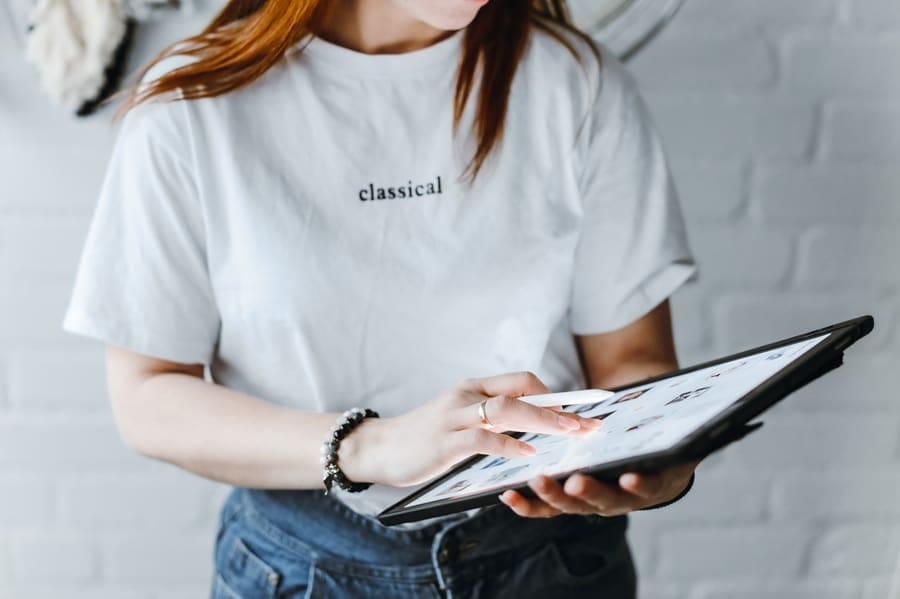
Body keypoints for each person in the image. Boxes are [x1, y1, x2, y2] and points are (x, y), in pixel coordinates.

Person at [61, 1, 702, 597]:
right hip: (301, 567)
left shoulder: (577, 82)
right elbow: (147, 398)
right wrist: (372, 446)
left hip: (552, 561)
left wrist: (655, 451)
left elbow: (633, 358)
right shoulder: (193, 103)